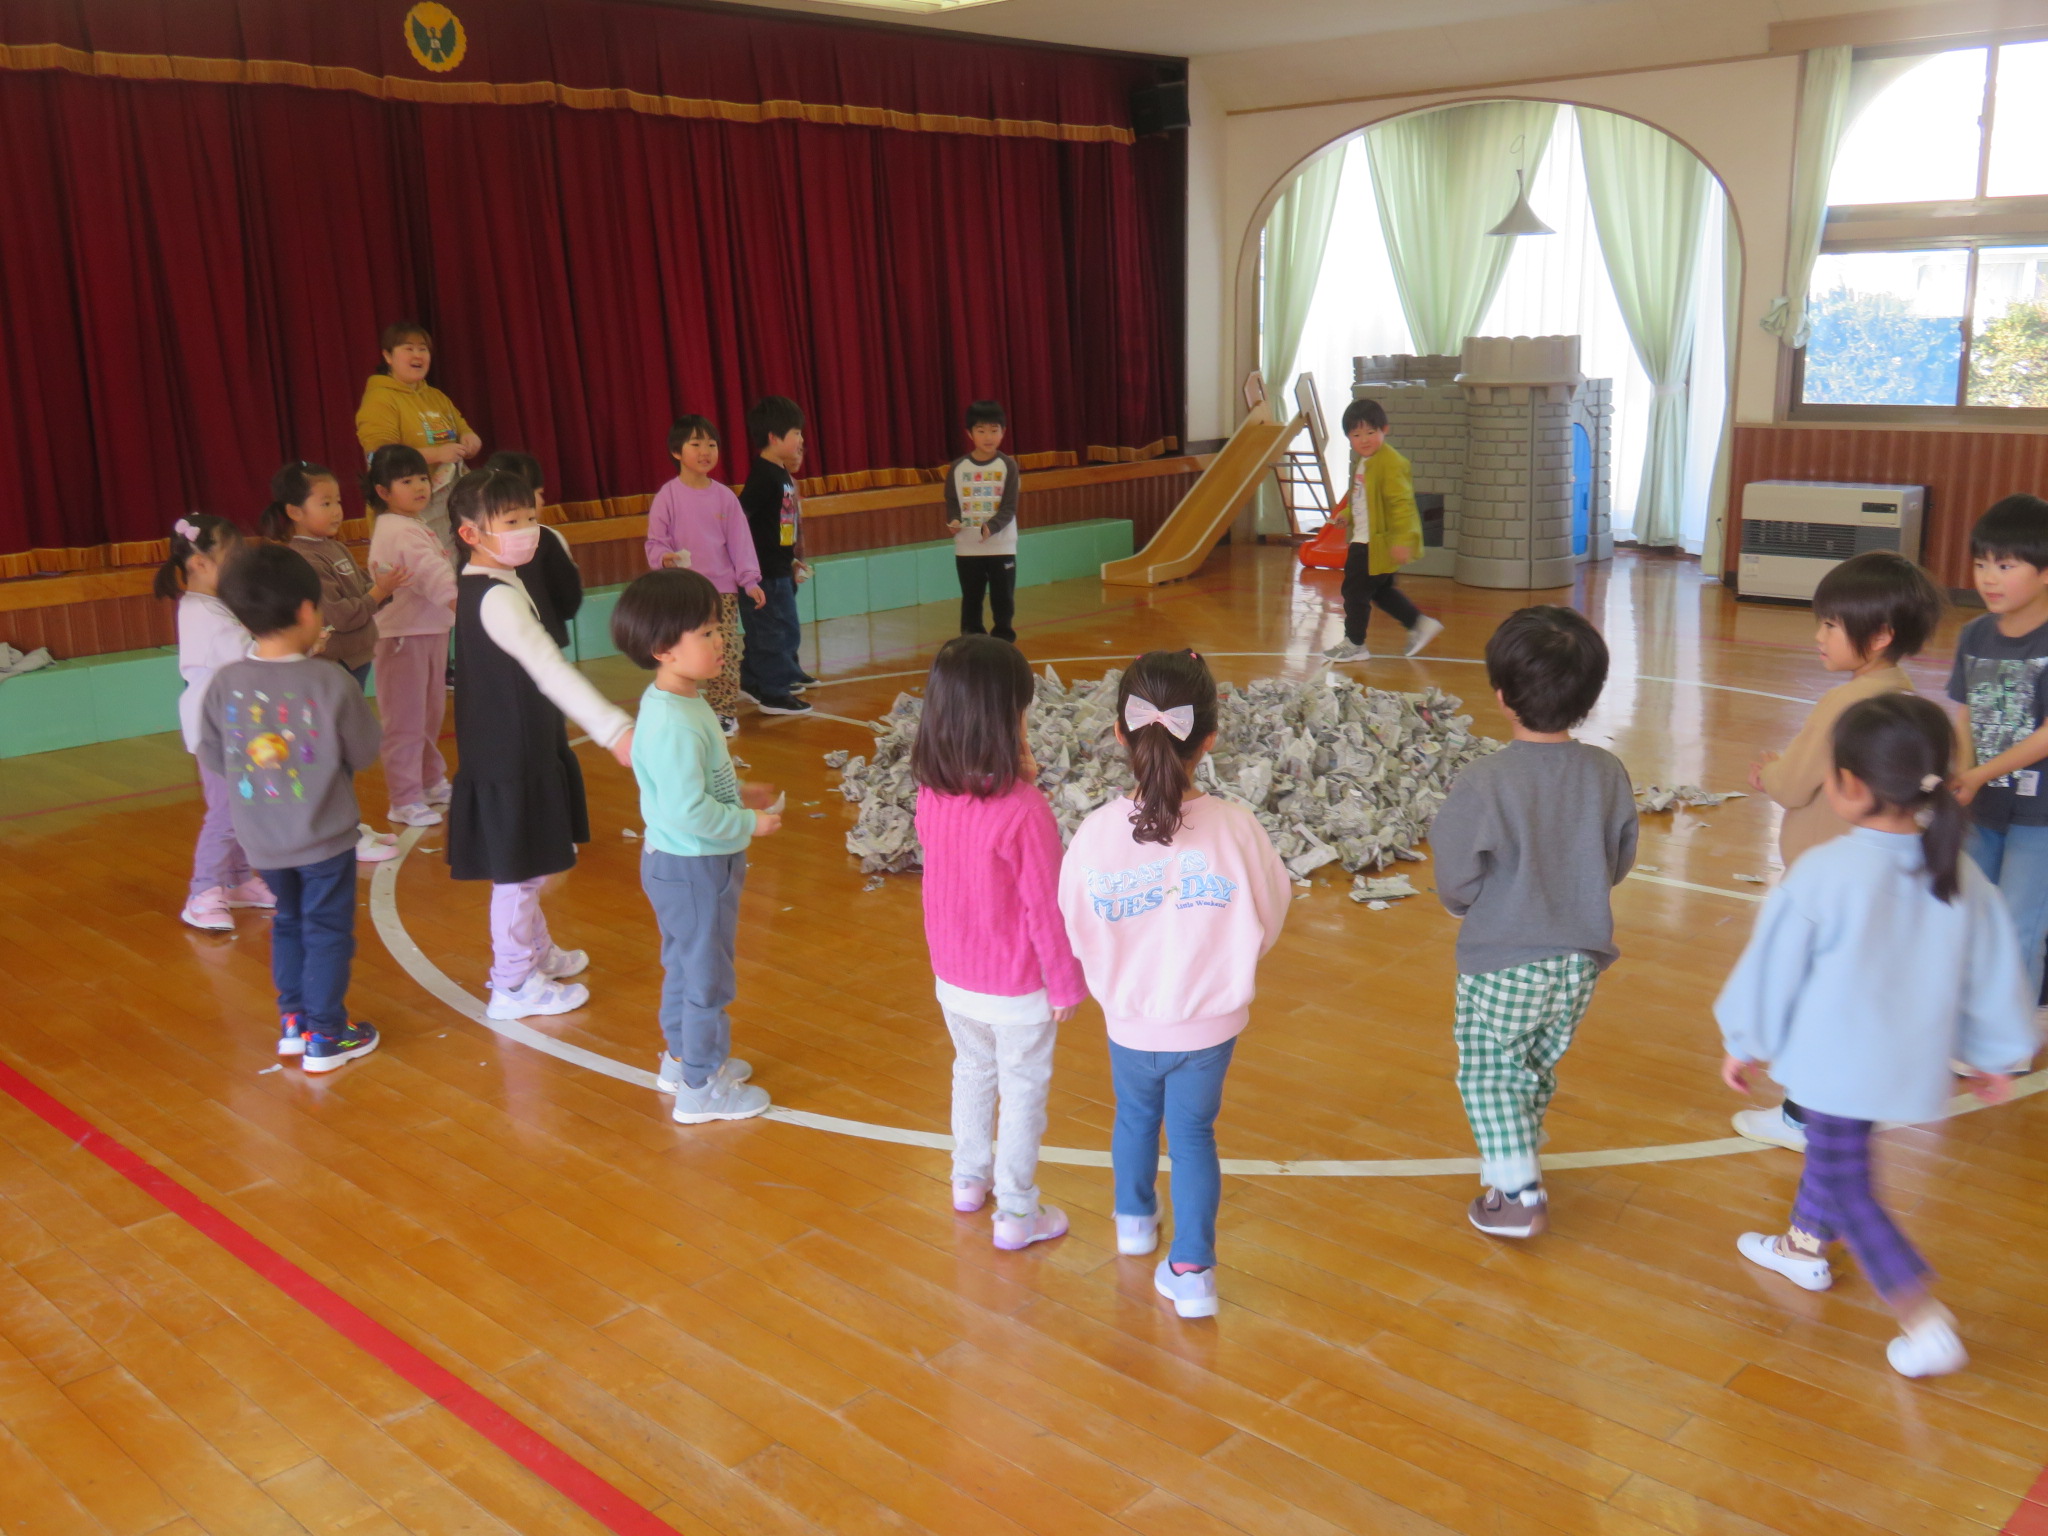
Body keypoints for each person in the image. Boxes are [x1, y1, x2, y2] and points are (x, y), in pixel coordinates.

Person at [1718, 694, 2034, 1379]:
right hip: (1908, 1067)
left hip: (1836, 1067)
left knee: (1851, 1184)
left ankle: (1923, 1319)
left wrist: (1745, 1039)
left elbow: (1772, 968)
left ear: (1850, 785)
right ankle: (1804, 1247)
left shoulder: (1823, 872)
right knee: (1837, 1154)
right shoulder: (1961, 873)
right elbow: (1994, 972)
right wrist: (1993, 1056)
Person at [1058, 650, 1291, 1318]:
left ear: (1120, 734)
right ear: (1208, 739)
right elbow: (1270, 913)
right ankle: (1192, 1272)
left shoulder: (1095, 833)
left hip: (1129, 1022)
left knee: (1133, 1116)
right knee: (1192, 1138)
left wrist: (1110, 977)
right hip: (1210, 1026)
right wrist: (1227, 962)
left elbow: (1075, 921)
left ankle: (1134, 1222)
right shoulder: (1239, 829)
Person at [1431, 605, 1637, 1238]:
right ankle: (1514, 1160)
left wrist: (1464, 903)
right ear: (1591, 697)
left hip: (1502, 959)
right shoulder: (1606, 772)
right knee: (1534, 1067)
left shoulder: (1486, 781)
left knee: (1490, 1072)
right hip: (1579, 963)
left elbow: (1455, 874)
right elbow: (1619, 858)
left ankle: (1519, 1194)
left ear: (1501, 695)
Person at [1738, 550, 1944, 1151]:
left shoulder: (1842, 704)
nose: (1819, 635)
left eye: (1831, 624)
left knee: (1812, 1001)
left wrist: (1771, 770)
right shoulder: (1905, 697)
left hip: (1823, 887)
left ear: (1878, 636)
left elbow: (1793, 784)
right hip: (1875, 881)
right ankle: (1843, 1104)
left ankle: (1800, 1118)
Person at [913, 636, 1086, 1249]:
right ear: (1008, 720)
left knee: (971, 1070)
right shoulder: (1024, 810)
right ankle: (1015, 1211)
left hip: (955, 976)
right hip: (1016, 986)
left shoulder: (931, 793)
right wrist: (1065, 984)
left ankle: (967, 1179)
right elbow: (1046, 906)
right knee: (1022, 1091)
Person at [447, 470, 635, 1022]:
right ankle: (511, 982)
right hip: (509, 753)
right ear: (470, 534)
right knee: (519, 872)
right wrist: (613, 728)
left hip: (524, 742)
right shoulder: (494, 597)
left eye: (530, 516)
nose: (528, 529)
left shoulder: (496, 579)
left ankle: (535, 950)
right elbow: (549, 668)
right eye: (511, 521)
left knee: (531, 859)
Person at [196, 542, 383, 1072]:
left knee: (289, 922)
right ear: (307, 611)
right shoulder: (330, 679)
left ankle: (294, 1024)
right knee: (326, 929)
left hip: (263, 841)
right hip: (324, 839)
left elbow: (212, 755)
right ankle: (327, 1035)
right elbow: (365, 751)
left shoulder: (226, 682)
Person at [611, 568, 779, 1124]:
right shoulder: (676, 723)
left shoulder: (677, 700)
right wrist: (748, 823)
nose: (720, 639)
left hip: (679, 863)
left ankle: (682, 1059)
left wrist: (739, 792)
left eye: (717, 627)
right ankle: (702, 1087)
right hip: (696, 867)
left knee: (685, 967)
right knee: (708, 978)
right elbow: (688, 812)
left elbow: (686, 787)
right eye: (705, 632)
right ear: (664, 650)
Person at [1950, 494, 2048, 1010]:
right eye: (1981, 564)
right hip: (1983, 805)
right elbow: (1967, 712)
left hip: (2040, 815)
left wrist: (1979, 773)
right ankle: (1974, 1017)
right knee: (1971, 913)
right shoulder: (1973, 635)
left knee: (2018, 922)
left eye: (2006, 566)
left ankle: (2011, 1033)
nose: (1989, 578)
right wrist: (1963, 773)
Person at [161, 514, 275, 931]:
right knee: (226, 811)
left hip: (233, 724)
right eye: (233, 556)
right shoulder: (201, 612)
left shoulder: (214, 603)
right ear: (200, 563)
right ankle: (203, 891)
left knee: (239, 806)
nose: (241, 564)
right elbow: (243, 656)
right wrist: (286, 645)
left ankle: (238, 881)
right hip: (216, 729)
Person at [644, 416, 769, 736]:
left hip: (720, 591)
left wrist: (750, 580)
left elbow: (740, 541)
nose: (705, 451)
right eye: (696, 444)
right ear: (676, 452)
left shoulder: (725, 497)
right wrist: (664, 557)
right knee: (680, 650)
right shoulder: (667, 496)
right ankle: (679, 706)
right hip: (682, 592)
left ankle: (724, 711)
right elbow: (655, 542)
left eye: (711, 444)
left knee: (721, 650)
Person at [365, 444, 459, 831]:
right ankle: (404, 799)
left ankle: (429, 780)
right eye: (406, 481)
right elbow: (431, 574)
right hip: (403, 637)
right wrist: (461, 604)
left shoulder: (412, 524)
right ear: (383, 491)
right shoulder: (397, 529)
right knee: (405, 720)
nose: (420, 486)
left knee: (430, 714)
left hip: (430, 631)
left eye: (422, 478)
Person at [257, 460, 404, 691]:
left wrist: (383, 586)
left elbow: (365, 589)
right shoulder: (304, 558)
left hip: (357, 656)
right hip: (335, 662)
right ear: (295, 511)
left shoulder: (336, 547)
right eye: (326, 503)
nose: (337, 510)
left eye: (338, 501)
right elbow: (341, 617)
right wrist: (380, 591)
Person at [1321, 398, 1443, 663]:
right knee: (1380, 591)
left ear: (1384, 429)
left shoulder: (1391, 463)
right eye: (1356, 435)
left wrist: (1402, 540)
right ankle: (1419, 623)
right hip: (1370, 540)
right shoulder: (1366, 460)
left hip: (1371, 544)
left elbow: (1402, 505)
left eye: (1370, 432)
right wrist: (1346, 515)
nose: (1364, 440)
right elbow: (1362, 499)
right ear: (1348, 437)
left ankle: (1355, 643)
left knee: (1354, 592)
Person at [355, 320, 480, 558]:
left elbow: (462, 428)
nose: (417, 355)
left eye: (423, 349)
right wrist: (437, 454)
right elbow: (381, 456)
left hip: (448, 506)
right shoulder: (379, 399)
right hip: (406, 510)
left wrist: (470, 439)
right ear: (388, 356)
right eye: (408, 348)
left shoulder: (435, 396)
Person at [737, 395, 817, 712]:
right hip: (764, 573)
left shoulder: (781, 475)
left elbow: (783, 526)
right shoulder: (764, 476)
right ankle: (773, 692)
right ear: (774, 437)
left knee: (775, 629)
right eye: (796, 433)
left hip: (780, 567)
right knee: (774, 632)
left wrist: (792, 559)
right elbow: (740, 518)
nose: (801, 440)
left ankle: (754, 679)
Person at [484, 450, 584, 650]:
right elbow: (568, 594)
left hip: (494, 643)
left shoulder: (477, 538)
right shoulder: (547, 538)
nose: (542, 500)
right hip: (543, 639)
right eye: (539, 493)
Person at [944, 400, 1022, 644]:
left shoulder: (1008, 465)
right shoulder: (958, 467)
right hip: (968, 547)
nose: (988, 437)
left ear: (1003, 432)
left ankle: (1004, 641)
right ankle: (972, 642)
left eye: (994, 430)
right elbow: (952, 502)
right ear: (970, 434)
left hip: (1001, 545)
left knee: (1003, 599)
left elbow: (1009, 507)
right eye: (981, 430)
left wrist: (991, 527)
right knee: (971, 598)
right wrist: (954, 521)